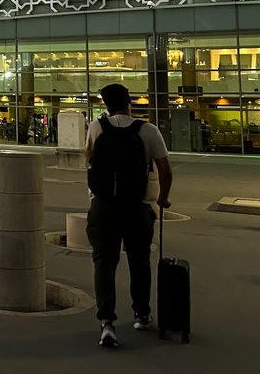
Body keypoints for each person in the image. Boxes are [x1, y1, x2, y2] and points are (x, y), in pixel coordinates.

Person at [85, 83, 173, 348]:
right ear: (129, 102)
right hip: (136, 206)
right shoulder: (148, 130)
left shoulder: (97, 127)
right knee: (139, 260)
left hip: (103, 206)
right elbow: (165, 170)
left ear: (106, 104)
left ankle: (107, 322)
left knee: (104, 263)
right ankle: (142, 314)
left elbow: (89, 159)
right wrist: (162, 198)